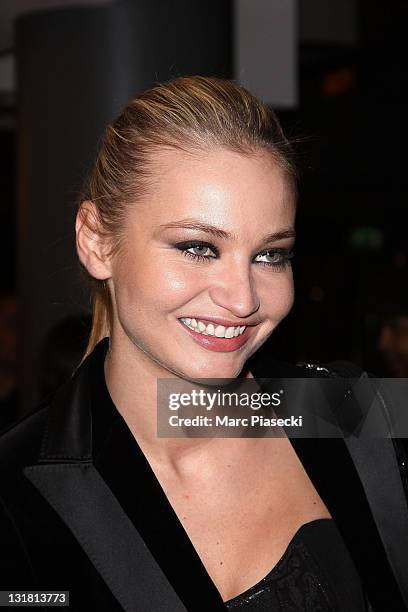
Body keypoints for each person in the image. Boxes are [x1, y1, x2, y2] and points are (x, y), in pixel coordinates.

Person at [0, 76, 407, 611]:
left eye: (270, 255)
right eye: (197, 247)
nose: (242, 300)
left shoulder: (350, 411)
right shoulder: (16, 495)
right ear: (98, 242)